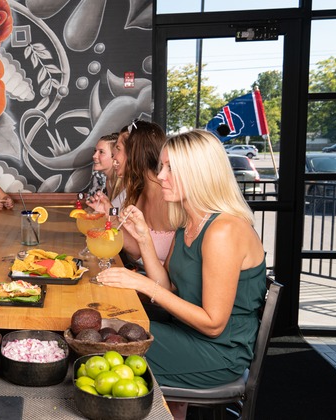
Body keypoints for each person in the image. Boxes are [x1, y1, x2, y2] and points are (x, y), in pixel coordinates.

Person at [97, 130, 266, 420]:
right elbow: (170, 287)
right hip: (186, 333)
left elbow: (213, 324)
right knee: (104, 329)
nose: (161, 175)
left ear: (199, 173)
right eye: (163, 166)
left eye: (171, 168)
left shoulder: (224, 230)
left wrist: (142, 283)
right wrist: (144, 240)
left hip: (218, 353)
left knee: (103, 346)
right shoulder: (189, 222)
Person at [88, 121, 173, 264]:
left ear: (134, 153)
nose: (114, 157)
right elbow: (137, 251)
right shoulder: (138, 192)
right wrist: (110, 214)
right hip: (141, 277)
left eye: (118, 149)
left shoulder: (171, 197)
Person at [87, 133, 123, 206]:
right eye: (95, 151)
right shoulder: (107, 181)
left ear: (114, 155)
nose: (94, 156)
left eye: (101, 152)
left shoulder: (124, 183)